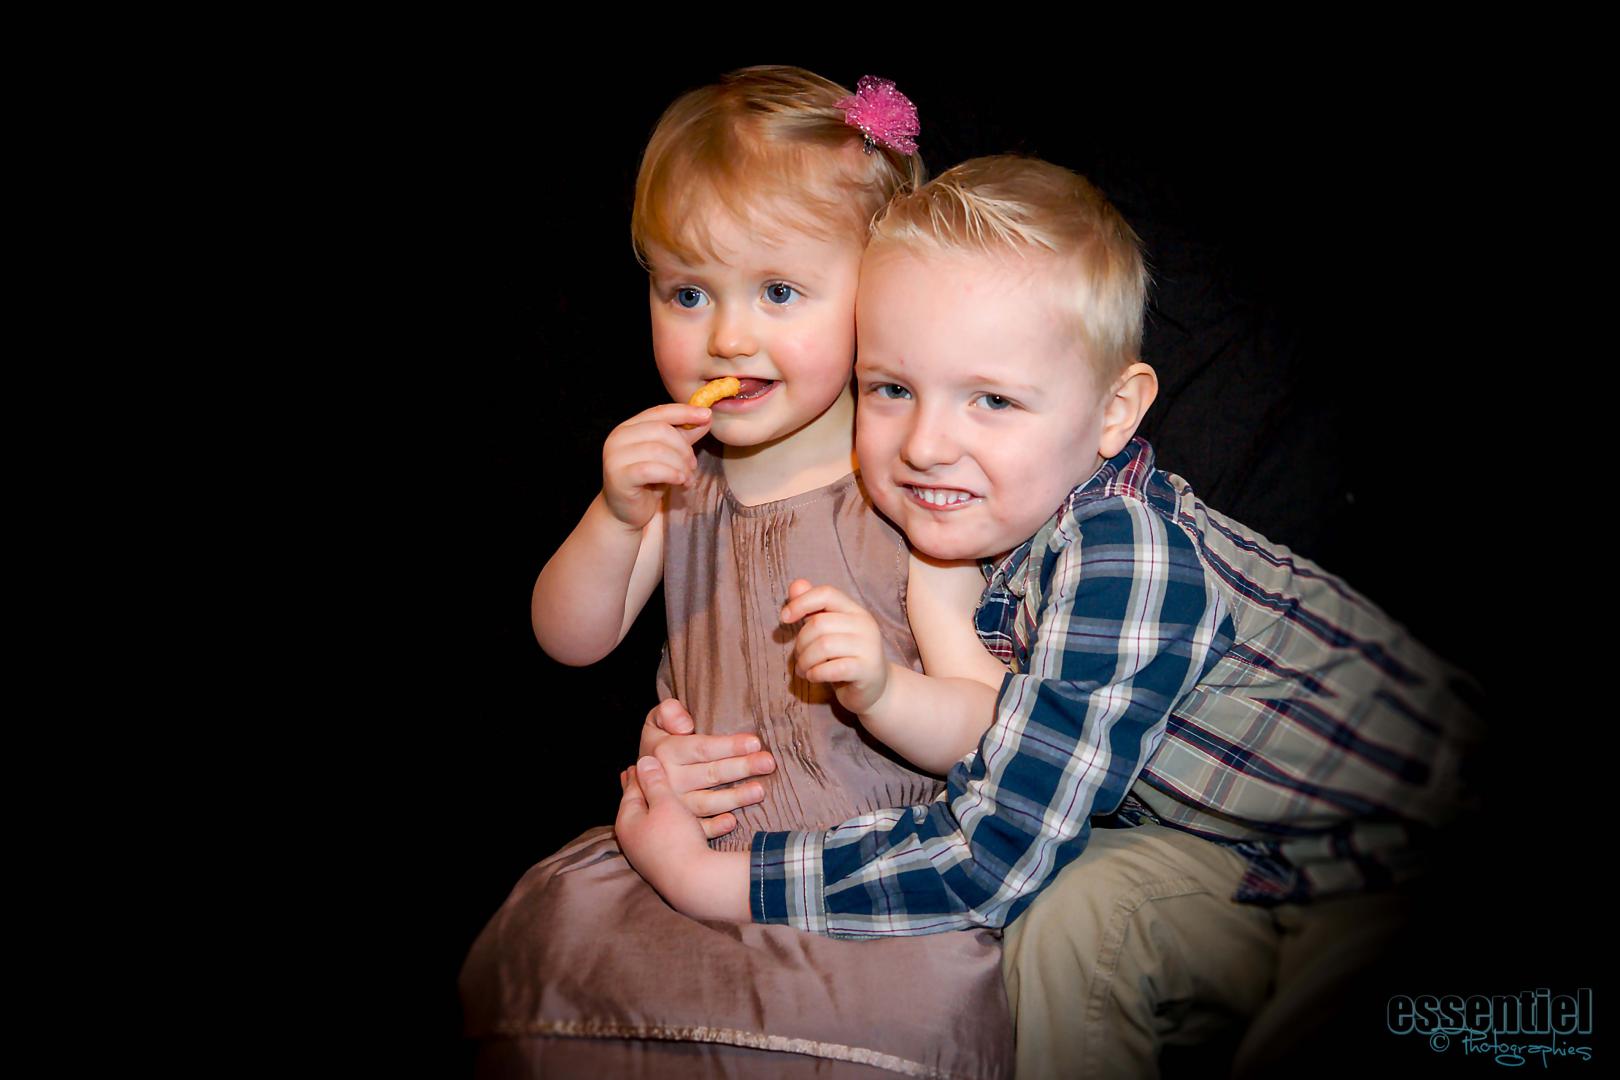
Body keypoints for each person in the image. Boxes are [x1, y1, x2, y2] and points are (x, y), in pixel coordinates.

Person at [617, 155, 1485, 1078]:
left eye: (992, 399)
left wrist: (712, 878)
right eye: (892, 388)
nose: (926, 446)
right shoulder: (973, 520)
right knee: (1070, 926)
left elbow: (992, 853)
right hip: (1243, 856)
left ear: (1115, 414)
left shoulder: (1128, 558)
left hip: (1406, 853)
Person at [461, 69, 1016, 1078]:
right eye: (687, 293)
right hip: (697, 855)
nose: (726, 336)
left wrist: (884, 690)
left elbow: (990, 731)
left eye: (778, 292)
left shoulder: (912, 494)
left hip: (867, 872)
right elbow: (568, 638)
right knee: (557, 948)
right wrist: (615, 515)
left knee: (896, 1013)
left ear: (879, 293)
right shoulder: (681, 486)